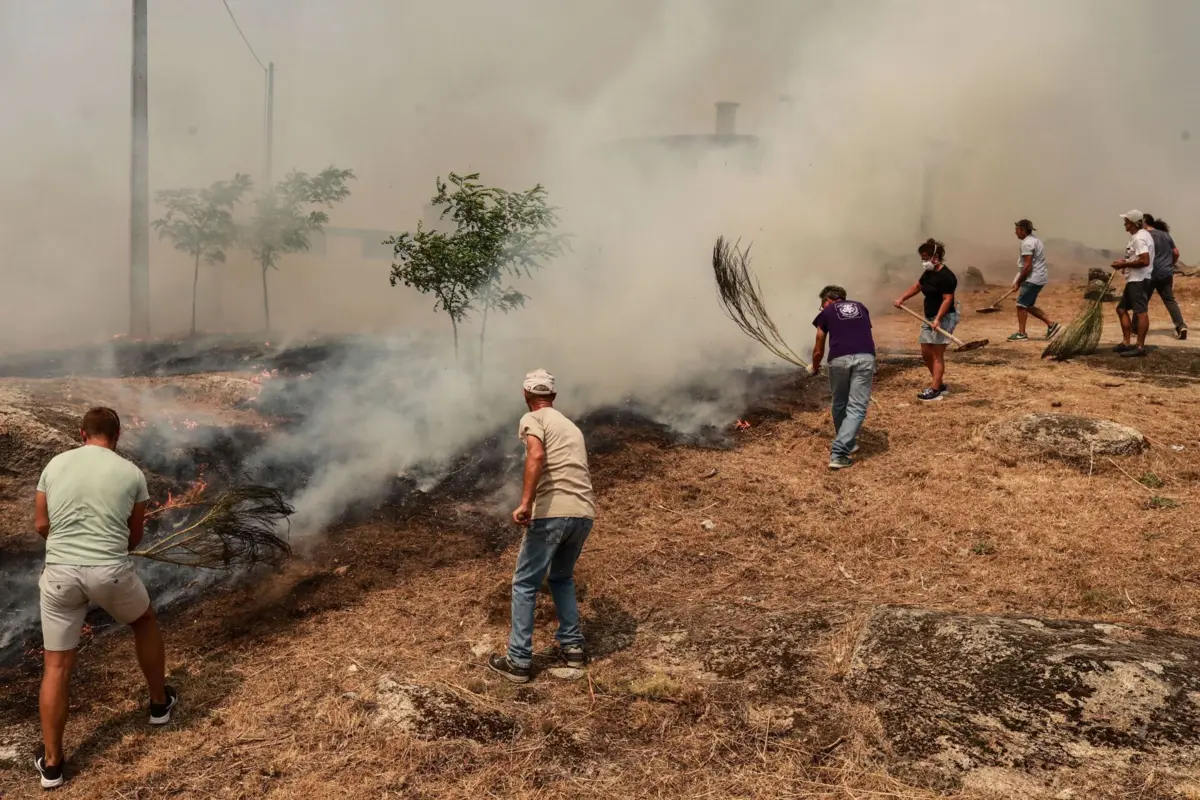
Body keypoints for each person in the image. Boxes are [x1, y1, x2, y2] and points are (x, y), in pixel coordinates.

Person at [33, 407, 177, 790]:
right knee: (143, 621)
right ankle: (159, 705)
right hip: (110, 570)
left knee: (56, 666)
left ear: (82, 433)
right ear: (118, 436)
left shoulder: (54, 465)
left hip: (61, 573)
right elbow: (133, 537)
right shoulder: (131, 473)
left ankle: (52, 765)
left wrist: (67, 549)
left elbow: (42, 524)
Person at [489, 370, 596, 684]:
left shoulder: (533, 419)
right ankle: (573, 648)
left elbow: (536, 454)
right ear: (553, 396)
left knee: (524, 583)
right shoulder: (571, 426)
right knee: (561, 577)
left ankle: (519, 660)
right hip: (583, 513)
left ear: (525, 395)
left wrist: (525, 503)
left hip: (553, 513)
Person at [810, 285, 876, 470]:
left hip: (839, 359)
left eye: (822, 305)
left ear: (827, 301)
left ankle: (839, 452)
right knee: (857, 406)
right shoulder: (861, 307)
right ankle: (846, 444)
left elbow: (818, 346)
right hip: (864, 357)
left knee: (840, 403)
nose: (822, 308)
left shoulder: (827, 312)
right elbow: (862, 330)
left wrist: (814, 367)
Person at [894, 238, 957, 401]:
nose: (923, 262)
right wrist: (902, 298)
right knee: (926, 353)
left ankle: (936, 389)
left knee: (937, 354)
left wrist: (937, 319)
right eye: (922, 258)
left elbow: (947, 299)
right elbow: (917, 286)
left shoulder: (947, 276)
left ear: (935, 257)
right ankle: (939, 383)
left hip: (944, 317)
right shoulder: (929, 273)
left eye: (925, 258)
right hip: (929, 317)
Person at [1110, 210, 1154, 357]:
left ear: (1134, 223)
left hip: (1139, 279)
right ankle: (1126, 342)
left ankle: (1140, 347)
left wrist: (1123, 266)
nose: (1125, 224)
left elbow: (1144, 260)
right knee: (1121, 309)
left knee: (1140, 312)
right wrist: (1125, 262)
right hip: (1133, 279)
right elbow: (1138, 257)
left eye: (1127, 222)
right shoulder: (1139, 236)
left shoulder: (1139, 238)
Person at [1007, 219, 1061, 341]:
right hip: (1040, 277)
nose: (1015, 232)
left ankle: (1021, 333)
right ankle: (1052, 325)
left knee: (1021, 305)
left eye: (1017, 230)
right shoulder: (1035, 240)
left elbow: (1027, 266)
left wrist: (1018, 282)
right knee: (1028, 305)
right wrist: (1017, 280)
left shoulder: (1027, 243)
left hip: (1033, 278)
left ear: (1022, 230)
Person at [1143, 214, 1188, 340]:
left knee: (1142, 301)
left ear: (1145, 223)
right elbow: (1176, 252)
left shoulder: (1144, 236)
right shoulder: (1165, 235)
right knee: (1169, 300)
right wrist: (1170, 264)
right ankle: (1181, 326)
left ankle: (1136, 327)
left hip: (1150, 273)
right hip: (1166, 273)